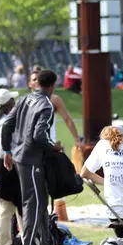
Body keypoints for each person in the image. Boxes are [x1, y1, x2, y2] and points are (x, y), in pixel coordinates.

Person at [1, 70, 66, 245]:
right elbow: (39, 135)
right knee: (33, 203)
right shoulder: (46, 105)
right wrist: (54, 147)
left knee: (40, 202)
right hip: (32, 160)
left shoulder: (24, 99)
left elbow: (7, 125)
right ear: (53, 85)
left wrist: (7, 150)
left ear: (37, 83)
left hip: (21, 156)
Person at [28, 69, 83, 218]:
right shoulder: (27, 100)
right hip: (33, 148)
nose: (35, 82)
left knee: (57, 179)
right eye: (33, 79)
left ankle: (57, 215)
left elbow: (67, 119)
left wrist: (77, 140)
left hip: (51, 146)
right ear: (30, 83)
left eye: (37, 79)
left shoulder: (54, 100)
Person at [0, 89, 24, 245]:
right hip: (6, 167)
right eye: (12, 100)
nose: (15, 103)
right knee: (12, 207)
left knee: (12, 207)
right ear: (8, 104)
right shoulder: (5, 123)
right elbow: (5, 151)